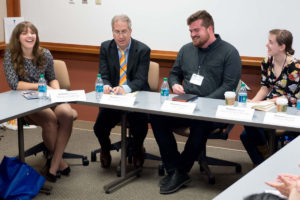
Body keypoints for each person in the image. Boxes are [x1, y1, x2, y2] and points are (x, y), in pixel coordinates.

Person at [150, 10, 241, 194]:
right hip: (185, 104)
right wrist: (175, 84)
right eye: (190, 31)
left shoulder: (229, 52)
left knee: (201, 123)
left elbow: (229, 86)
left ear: (210, 28)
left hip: (212, 110)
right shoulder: (186, 50)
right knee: (156, 117)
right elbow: (174, 74)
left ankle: (181, 170)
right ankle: (174, 168)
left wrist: (204, 102)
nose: (192, 35)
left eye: (196, 30)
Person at [3, 21, 74, 182]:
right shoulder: (11, 55)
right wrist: (41, 87)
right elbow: (15, 84)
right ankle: (59, 163)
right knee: (50, 119)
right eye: (25, 33)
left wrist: (56, 91)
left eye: (32, 32)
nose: (30, 36)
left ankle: (54, 163)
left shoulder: (45, 54)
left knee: (67, 114)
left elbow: (53, 78)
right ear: (18, 38)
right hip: (26, 100)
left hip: (49, 96)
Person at [93, 14, 150, 169]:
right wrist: (105, 85)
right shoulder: (106, 47)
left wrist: (124, 88)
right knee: (99, 128)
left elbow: (141, 79)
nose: (121, 36)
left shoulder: (143, 50)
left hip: (136, 97)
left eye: (124, 31)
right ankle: (105, 148)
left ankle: (138, 149)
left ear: (130, 31)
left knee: (140, 126)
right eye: (117, 32)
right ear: (112, 32)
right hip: (113, 99)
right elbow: (104, 74)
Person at [240, 29, 300, 166]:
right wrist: (253, 102)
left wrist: (264, 103)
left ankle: (267, 159)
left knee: (247, 133)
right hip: (270, 105)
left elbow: (288, 97)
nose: (267, 45)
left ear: (282, 46)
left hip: (289, 108)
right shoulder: (266, 62)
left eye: (270, 42)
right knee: (247, 121)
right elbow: (265, 87)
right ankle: (264, 161)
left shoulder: (295, 67)